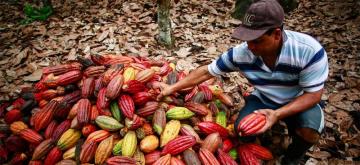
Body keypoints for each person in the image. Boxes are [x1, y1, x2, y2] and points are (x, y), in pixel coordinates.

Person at [157, 0, 328, 164]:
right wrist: (171, 88)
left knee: (309, 132)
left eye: (257, 40)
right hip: (264, 98)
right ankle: (268, 133)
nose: (250, 47)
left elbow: (313, 95)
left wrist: (277, 114)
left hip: (298, 100)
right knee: (242, 132)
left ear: (276, 34)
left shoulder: (308, 51)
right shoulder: (243, 53)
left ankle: (291, 158)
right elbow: (205, 72)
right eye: (247, 39)